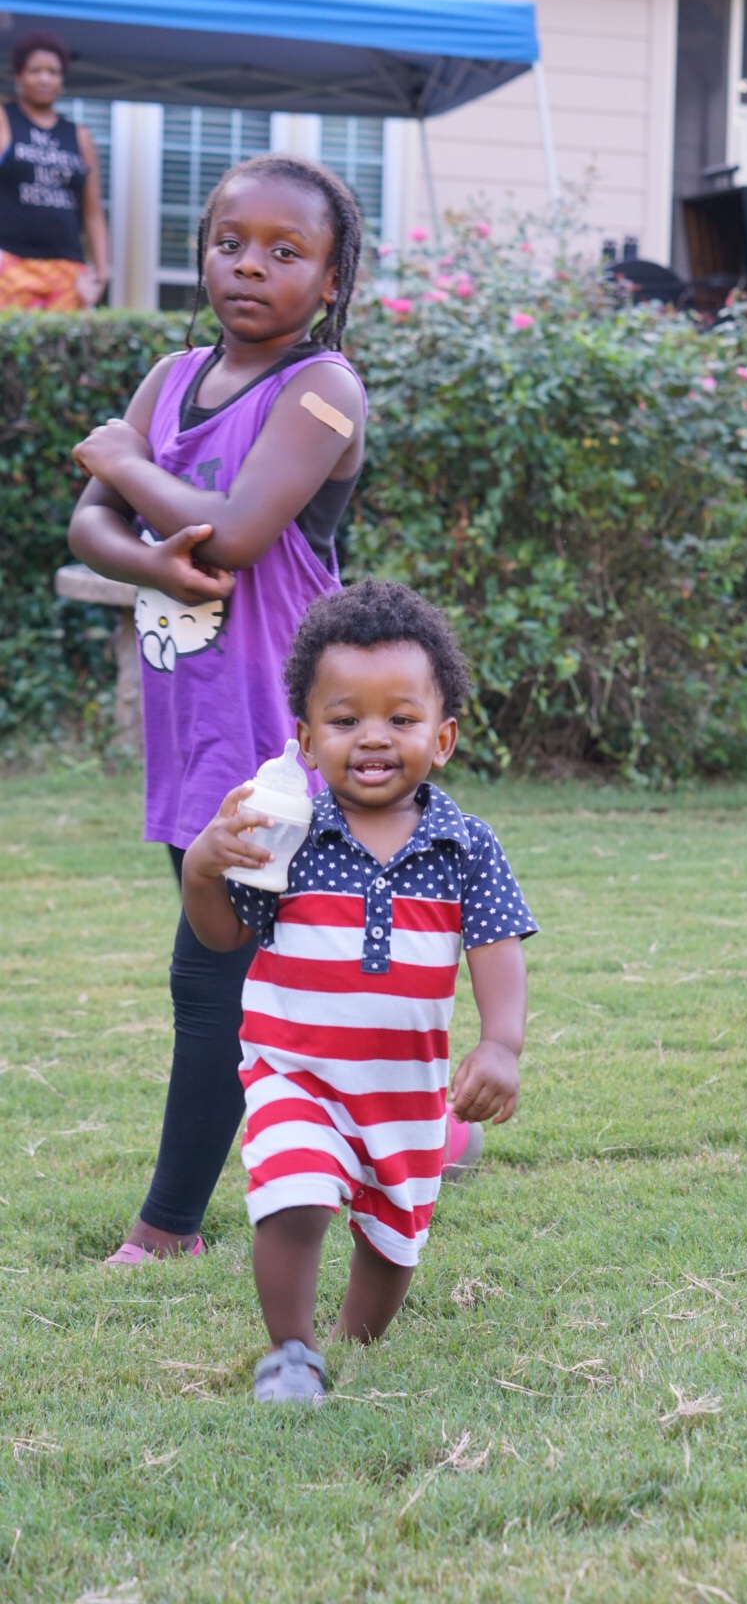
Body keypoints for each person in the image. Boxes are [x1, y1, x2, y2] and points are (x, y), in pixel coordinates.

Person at [68, 152, 381, 1264]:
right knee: (288, 964)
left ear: (331, 279)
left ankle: (167, 1227)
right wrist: (153, 560)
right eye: (230, 241)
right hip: (190, 723)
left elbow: (239, 529)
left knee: (213, 974)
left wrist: (122, 461)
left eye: (285, 252)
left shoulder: (322, 389)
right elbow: (90, 527)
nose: (250, 265)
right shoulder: (170, 374)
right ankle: (420, 1120)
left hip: (282, 730)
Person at [180, 578, 536, 1401]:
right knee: (294, 1194)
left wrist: (500, 1043)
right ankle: (293, 1352)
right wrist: (203, 869)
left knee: (394, 1236)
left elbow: (496, 947)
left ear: (441, 737)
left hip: (405, 1091)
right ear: (306, 738)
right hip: (295, 1072)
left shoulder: (465, 845)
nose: (373, 739)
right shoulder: (287, 835)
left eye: (400, 720)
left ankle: (353, 1336)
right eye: (345, 721)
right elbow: (223, 935)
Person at [0, 31, 108, 310]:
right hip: (10, 262)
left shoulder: (79, 135)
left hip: (66, 267)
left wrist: (101, 269)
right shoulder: (4, 118)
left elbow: (92, 212)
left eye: (53, 72)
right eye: (35, 70)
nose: (45, 78)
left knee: (62, 350)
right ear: (19, 75)